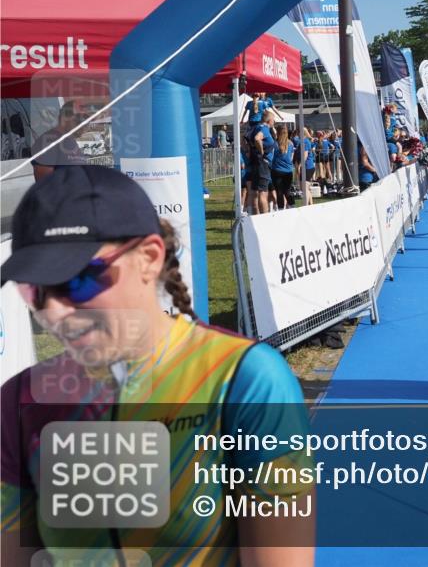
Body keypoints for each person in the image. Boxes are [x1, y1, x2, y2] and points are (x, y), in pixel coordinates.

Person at [1, 165, 314, 566]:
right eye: (36, 290)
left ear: (149, 258)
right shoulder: (19, 401)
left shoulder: (246, 380)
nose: (55, 311)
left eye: (78, 280)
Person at [30, 102, 87, 181]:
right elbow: (44, 185)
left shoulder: (70, 141)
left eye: (85, 118)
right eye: (78, 118)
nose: (83, 122)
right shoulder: (48, 141)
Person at [250, 111, 277, 214]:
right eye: (273, 120)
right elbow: (257, 138)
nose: (274, 122)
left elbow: (246, 138)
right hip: (263, 164)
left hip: (256, 162)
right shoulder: (264, 129)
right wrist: (261, 151)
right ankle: (264, 217)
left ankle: (255, 216)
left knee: (254, 191)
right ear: (270, 120)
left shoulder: (256, 127)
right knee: (263, 192)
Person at [271, 124, 296, 210]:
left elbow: (271, 157)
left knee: (279, 192)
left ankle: (281, 209)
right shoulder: (291, 144)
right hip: (288, 171)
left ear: (278, 132)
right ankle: (292, 206)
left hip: (276, 170)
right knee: (287, 191)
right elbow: (291, 158)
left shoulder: (275, 144)